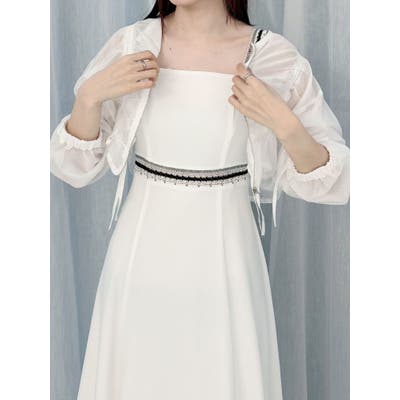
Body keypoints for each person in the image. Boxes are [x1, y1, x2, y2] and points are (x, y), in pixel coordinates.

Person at [50, 1, 350, 399]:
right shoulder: (133, 45)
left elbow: (333, 181)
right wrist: (88, 98)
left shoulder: (271, 58)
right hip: (141, 265)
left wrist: (286, 124)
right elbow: (74, 167)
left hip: (227, 269)